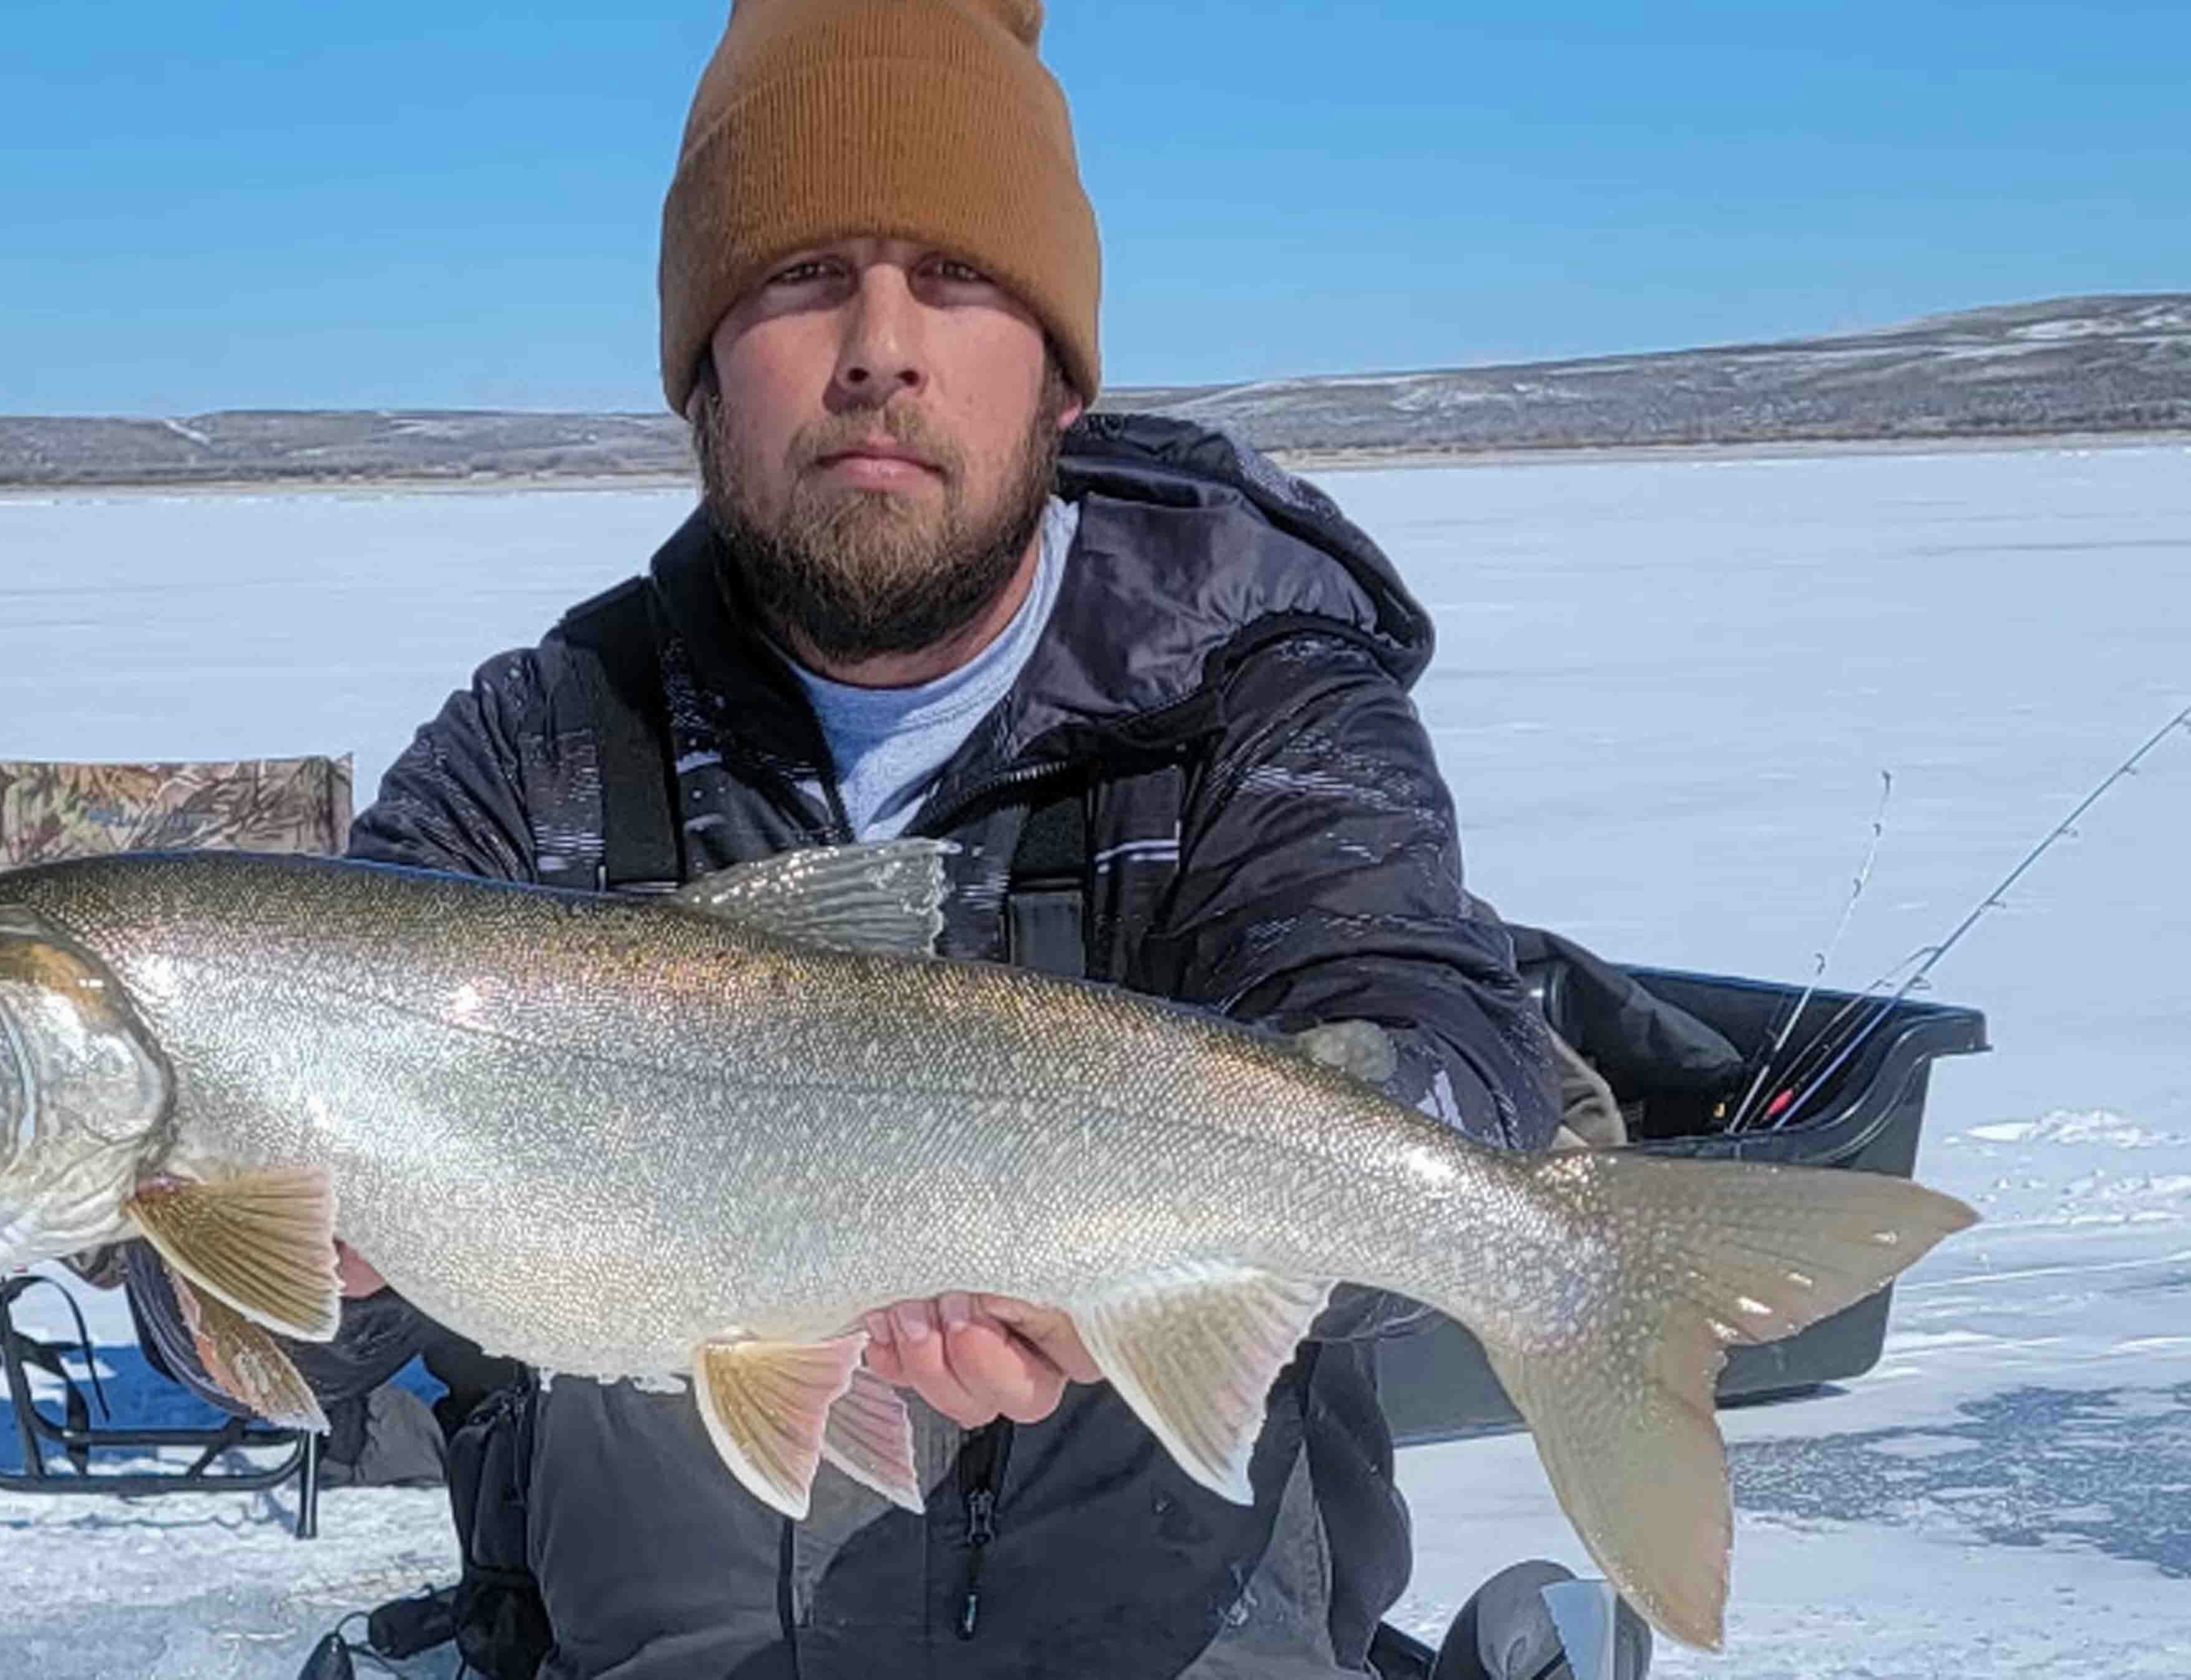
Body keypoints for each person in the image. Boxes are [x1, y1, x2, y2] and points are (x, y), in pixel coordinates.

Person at [294, 1, 1563, 1673]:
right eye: (801, 278)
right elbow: (238, 1319)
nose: (878, 345)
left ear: (1056, 367)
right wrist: (303, 1253)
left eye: (958, 278)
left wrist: (1160, 1242)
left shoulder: (1247, 705)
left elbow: (1445, 1038)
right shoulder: (545, 751)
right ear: (698, 367)